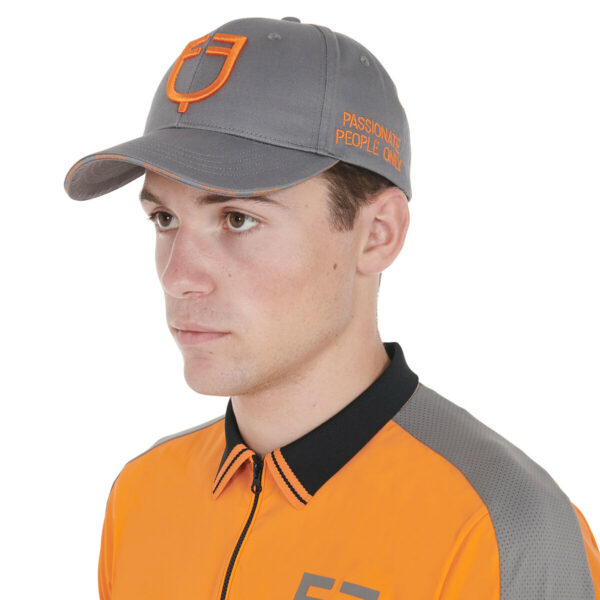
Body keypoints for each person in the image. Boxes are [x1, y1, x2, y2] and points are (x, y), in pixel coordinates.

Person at [63, 16, 600, 600]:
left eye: (238, 219)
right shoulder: (143, 496)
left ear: (377, 234)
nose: (178, 277)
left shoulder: (502, 529)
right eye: (164, 218)